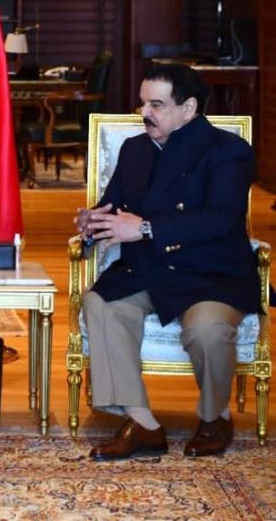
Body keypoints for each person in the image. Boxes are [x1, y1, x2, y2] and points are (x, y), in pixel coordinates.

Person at [76, 62, 260, 460]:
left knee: (207, 328)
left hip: (211, 273)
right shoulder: (135, 149)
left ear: (188, 108)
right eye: (143, 103)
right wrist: (94, 223)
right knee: (100, 302)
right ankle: (142, 423)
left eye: (156, 105)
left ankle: (215, 417)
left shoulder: (228, 150)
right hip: (149, 268)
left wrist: (144, 228)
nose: (144, 113)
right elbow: (113, 205)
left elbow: (221, 218)